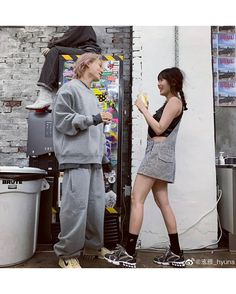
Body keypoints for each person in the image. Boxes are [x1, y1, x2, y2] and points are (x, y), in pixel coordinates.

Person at [104, 67, 188, 268]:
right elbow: (160, 128)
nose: (158, 84)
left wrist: (143, 109)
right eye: (158, 80)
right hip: (161, 155)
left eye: (162, 80)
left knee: (136, 199)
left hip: (157, 155)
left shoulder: (174, 101)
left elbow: (159, 129)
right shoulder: (172, 102)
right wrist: (148, 110)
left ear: (172, 82)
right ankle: (176, 252)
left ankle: (129, 253)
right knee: (164, 204)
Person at [52, 52, 112, 268]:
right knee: (75, 208)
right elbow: (63, 121)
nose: (102, 69)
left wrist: (105, 157)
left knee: (96, 207)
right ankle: (66, 254)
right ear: (86, 64)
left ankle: (92, 247)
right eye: (99, 65)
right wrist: (94, 118)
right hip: (75, 158)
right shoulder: (69, 89)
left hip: (93, 159)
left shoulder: (92, 95)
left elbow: (97, 131)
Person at [26, 26, 101, 110]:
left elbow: (68, 38)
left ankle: (44, 97)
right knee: (55, 58)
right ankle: (52, 99)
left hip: (87, 52)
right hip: (85, 51)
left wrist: (51, 45)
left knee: (54, 51)